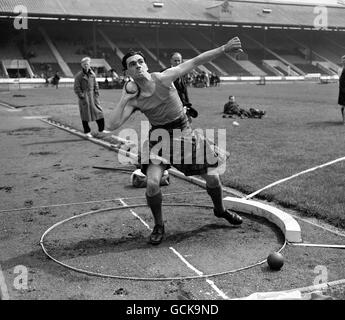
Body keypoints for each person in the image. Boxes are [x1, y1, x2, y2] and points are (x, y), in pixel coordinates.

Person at [107, 36, 244, 245]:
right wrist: (125, 97)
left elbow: (196, 61)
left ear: (146, 64)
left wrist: (224, 48)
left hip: (184, 135)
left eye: (140, 61)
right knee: (152, 184)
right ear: (127, 73)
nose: (138, 65)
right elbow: (112, 124)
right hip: (158, 140)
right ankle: (159, 225)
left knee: (214, 179)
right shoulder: (134, 99)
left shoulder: (164, 77)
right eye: (132, 64)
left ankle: (220, 210)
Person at [74, 57, 109, 137]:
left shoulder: (92, 74)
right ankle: (87, 132)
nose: (86, 65)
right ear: (82, 65)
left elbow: (96, 84)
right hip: (84, 97)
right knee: (85, 115)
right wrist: (81, 96)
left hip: (93, 97)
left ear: (89, 65)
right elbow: (76, 87)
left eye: (87, 64)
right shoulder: (78, 76)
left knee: (99, 112)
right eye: (84, 64)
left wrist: (96, 93)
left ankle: (101, 129)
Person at [168, 52, 198, 122]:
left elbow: (184, 92)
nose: (177, 62)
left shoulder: (182, 73)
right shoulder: (165, 73)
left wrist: (188, 106)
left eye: (179, 61)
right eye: (175, 60)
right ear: (171, 61)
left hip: (183, 108)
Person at [338, 55, 345, 124]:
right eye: (343, 60)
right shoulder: (340, 69)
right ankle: (343, 120)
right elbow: (340, 79)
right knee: (343, 105)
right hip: (342, 89)